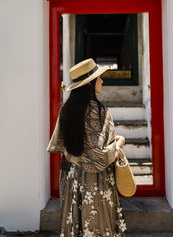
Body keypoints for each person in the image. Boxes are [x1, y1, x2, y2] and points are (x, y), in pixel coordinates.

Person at [47, 58, 127, 236]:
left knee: (76, 227)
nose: (102, 81)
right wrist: (119, 143)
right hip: (97, 181)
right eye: (99, 78)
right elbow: (99, 155)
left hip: (73, 180)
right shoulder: (100, 112)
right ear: (90, 83)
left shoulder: (66, 110)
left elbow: (63, 147)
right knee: (99, 227)